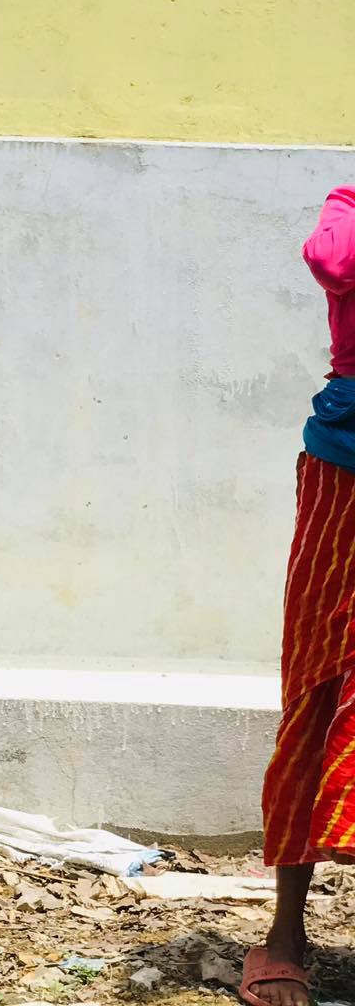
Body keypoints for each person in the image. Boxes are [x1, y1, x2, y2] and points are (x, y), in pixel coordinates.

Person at [245, 186, 355, 1006]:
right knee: (318, 685)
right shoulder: (346, 204)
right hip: (344, 477)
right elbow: (332, 258)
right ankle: (285, 933)